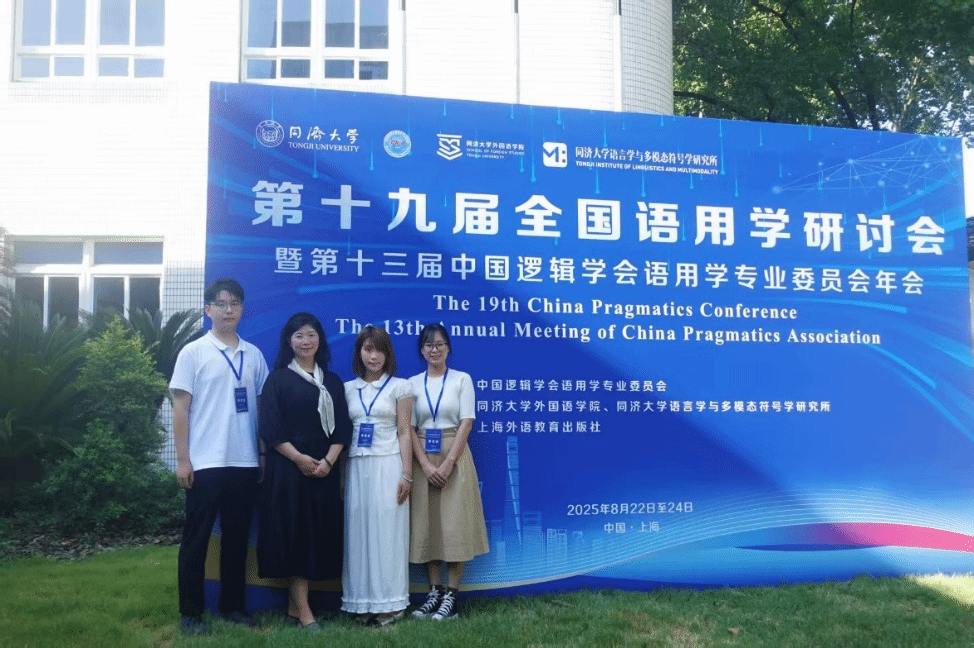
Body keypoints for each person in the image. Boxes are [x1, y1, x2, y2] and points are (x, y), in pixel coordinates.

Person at [170, 278, 269, 635]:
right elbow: (181, 409)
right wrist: (183, 460)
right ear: (208, 309)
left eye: (235, 303)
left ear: (242, 309)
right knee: (196, 540)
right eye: (222, 303)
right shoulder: (193, 352)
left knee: (237, 539)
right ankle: (191, 614)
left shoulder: (253, 355)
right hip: (205, 463)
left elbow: (261, 409)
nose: (229, 310)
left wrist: (261, 455)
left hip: (244, 462)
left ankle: (233, 607)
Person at [256, 312, 352, 632]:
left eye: (311, 335)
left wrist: (328, 462)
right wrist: (299, 459)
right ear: (289, 341)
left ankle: (294, 608)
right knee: (295, 538)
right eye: (299, 336)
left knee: (315, 538)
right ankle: (306, 613)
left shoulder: (333, 382)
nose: (306, 341)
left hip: (324, 472)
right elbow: (270, 428)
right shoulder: (277, 380)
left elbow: (343, 429)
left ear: (320, 340)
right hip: (289, 471)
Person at [408, 323, 489, 621]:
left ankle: (451, 598)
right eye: (428, 345)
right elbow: (409, 428)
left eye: (440, 344)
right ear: (421, 350)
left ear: (448, 348)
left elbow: (467, 422)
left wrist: (448, 463)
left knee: (455, 527)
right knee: (429, 526)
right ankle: (434, 593)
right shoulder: (412, 384)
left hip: (454, 455)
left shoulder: (461, 380)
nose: (434, 350)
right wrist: (426, 465)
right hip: (423, 459)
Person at [341, 325, 414, 626]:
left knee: (388, 533)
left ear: (388, 354)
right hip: (357, 467)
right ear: (359, 352)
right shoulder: (348, 389)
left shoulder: (400, 387)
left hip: (389, 465)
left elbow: (405, 432)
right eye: (368, 349)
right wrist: (341, 477)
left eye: (380, 350)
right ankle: (362, 603)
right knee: (358, 535)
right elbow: (343, 436)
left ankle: (390, 604)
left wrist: (407, 474)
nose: (374, 356)